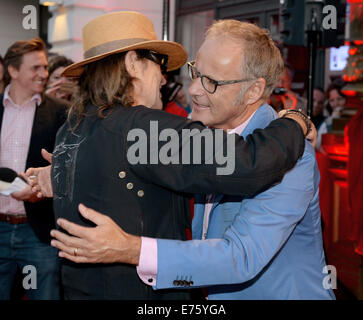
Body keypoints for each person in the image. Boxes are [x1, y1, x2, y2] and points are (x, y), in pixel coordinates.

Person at [28, 12, 312, 300]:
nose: (166, 79)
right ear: (132, 64)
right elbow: (251, 163)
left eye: (210, 80)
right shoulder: (142, 129)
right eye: (158, 63)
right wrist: (297, 121)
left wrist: (69, 174)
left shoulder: (73, 127)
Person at [0, 38, 67, 300]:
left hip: (38, 230)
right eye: (35, 68)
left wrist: (41, 188)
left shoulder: (61, 113)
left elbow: (67, 168)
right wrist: (9, 185)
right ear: (13, 71)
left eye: (45, 67)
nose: (44, 74)